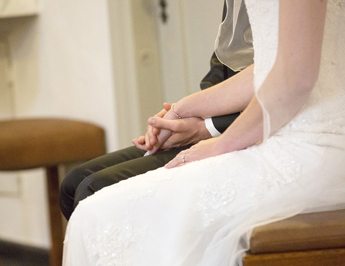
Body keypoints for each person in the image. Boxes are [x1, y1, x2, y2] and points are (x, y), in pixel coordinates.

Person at [63, 0, 345, 265]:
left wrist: (219, 145)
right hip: (281, 131)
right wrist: (180, 109)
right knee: (88, 199)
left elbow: (293, 79)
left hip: (314, 143)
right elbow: (271, 66)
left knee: (95, 214)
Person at [59, 0, 253, 221]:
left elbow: (271, 79)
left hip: (257, 128)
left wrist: (206, 126)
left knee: (93, 189)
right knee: (73, 183)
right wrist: (185, 116)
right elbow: (224, 61)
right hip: (216, 116)